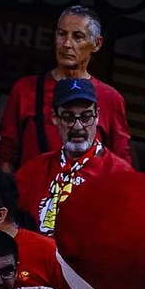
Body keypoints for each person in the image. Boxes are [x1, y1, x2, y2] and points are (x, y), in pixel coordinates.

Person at [0, 5, 131, 172]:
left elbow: (122, 162)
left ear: (96, 44)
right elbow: (6, 154)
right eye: (61, 34)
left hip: (89, 195)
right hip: (33, 194)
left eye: (78, 36)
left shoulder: (111, 98)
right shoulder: (25, 90)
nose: (67, 44)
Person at [14, 78, 132, 236]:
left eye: (86, 117)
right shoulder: (33, 170)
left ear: (97, 117)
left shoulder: (119, 173)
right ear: (54, 118)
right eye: (68, 118)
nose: (78, 127)